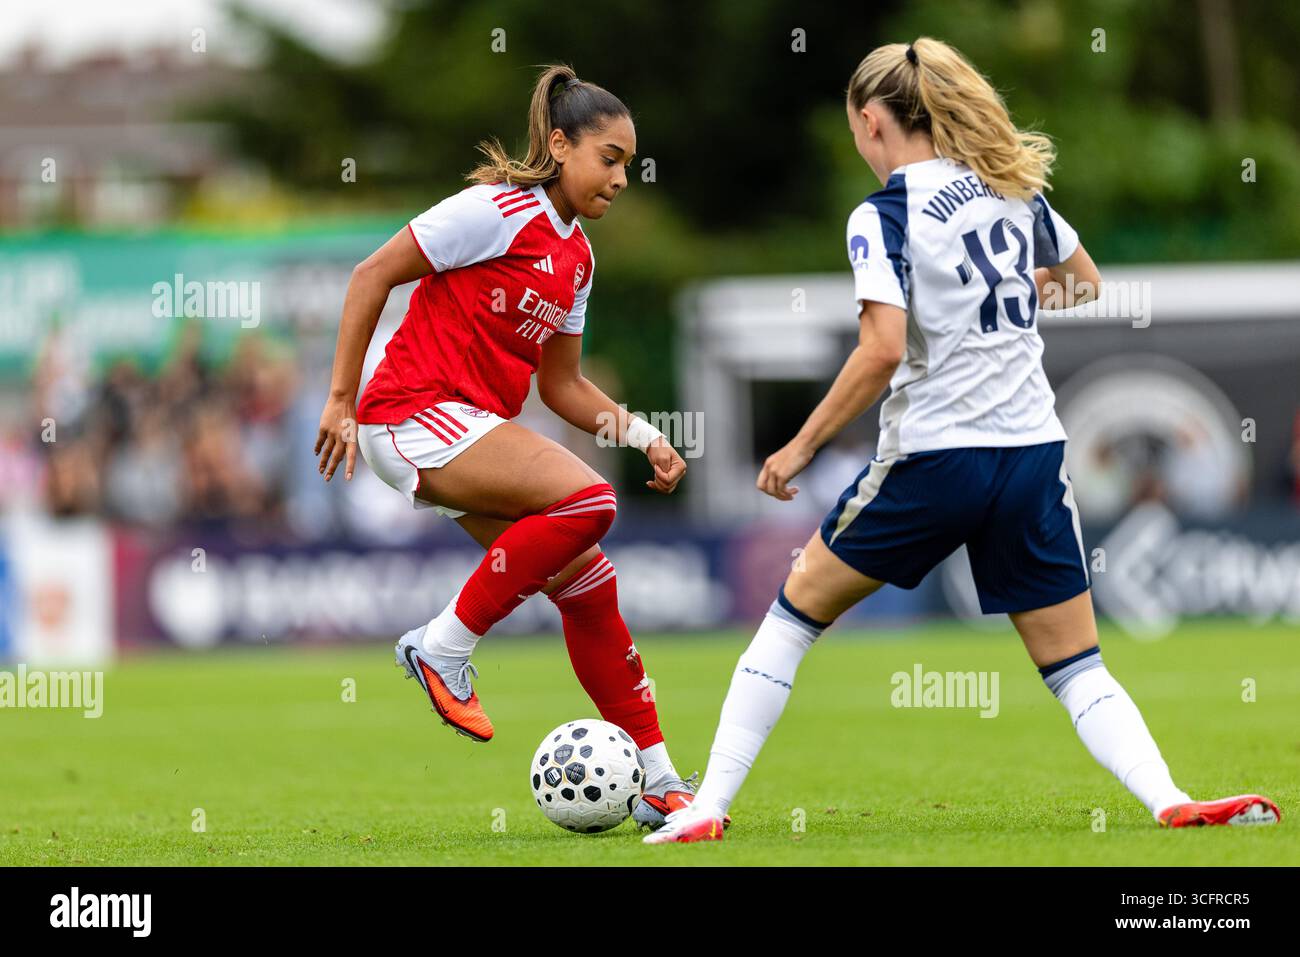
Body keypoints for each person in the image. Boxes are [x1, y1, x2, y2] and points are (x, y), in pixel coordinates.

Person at [647, 38, 1280, 843]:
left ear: (872, 121)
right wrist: (1008, 301)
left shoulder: (886, 213)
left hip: (934, 457)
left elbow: (880, 348)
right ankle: (1168, 797)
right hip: (1030, 456)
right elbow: (1086, 280)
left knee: (793, 614)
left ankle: (707, 806)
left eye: (854, 130)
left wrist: (802, 445)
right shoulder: (1013, 191)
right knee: (1078, 666)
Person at [315, 64, 709, 829]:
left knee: (590, 585)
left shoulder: (579, 260)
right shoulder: (494, 212)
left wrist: (644, 433)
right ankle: (443, 645)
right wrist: (339, 399)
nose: (623, 177)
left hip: (461, 429)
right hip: (410, 412)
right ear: (559, 145)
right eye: (610, 158)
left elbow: (562, 386)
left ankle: (660, 782)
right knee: (589, 500)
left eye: (630, 163)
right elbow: (371, 275)